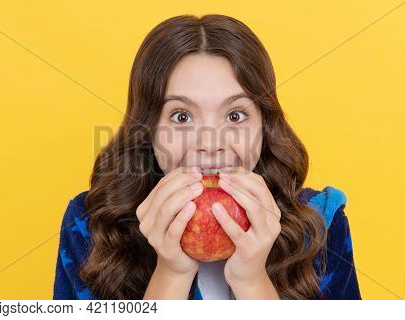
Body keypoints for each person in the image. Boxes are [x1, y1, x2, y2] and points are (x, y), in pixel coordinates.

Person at [53, 14, 361, 300]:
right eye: (182, 117)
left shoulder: (321, 227)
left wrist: (251, 282)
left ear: (263, 129)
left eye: (235, 115)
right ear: (148, 131)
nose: (210, 144)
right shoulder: (92, 227)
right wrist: (171, 273)